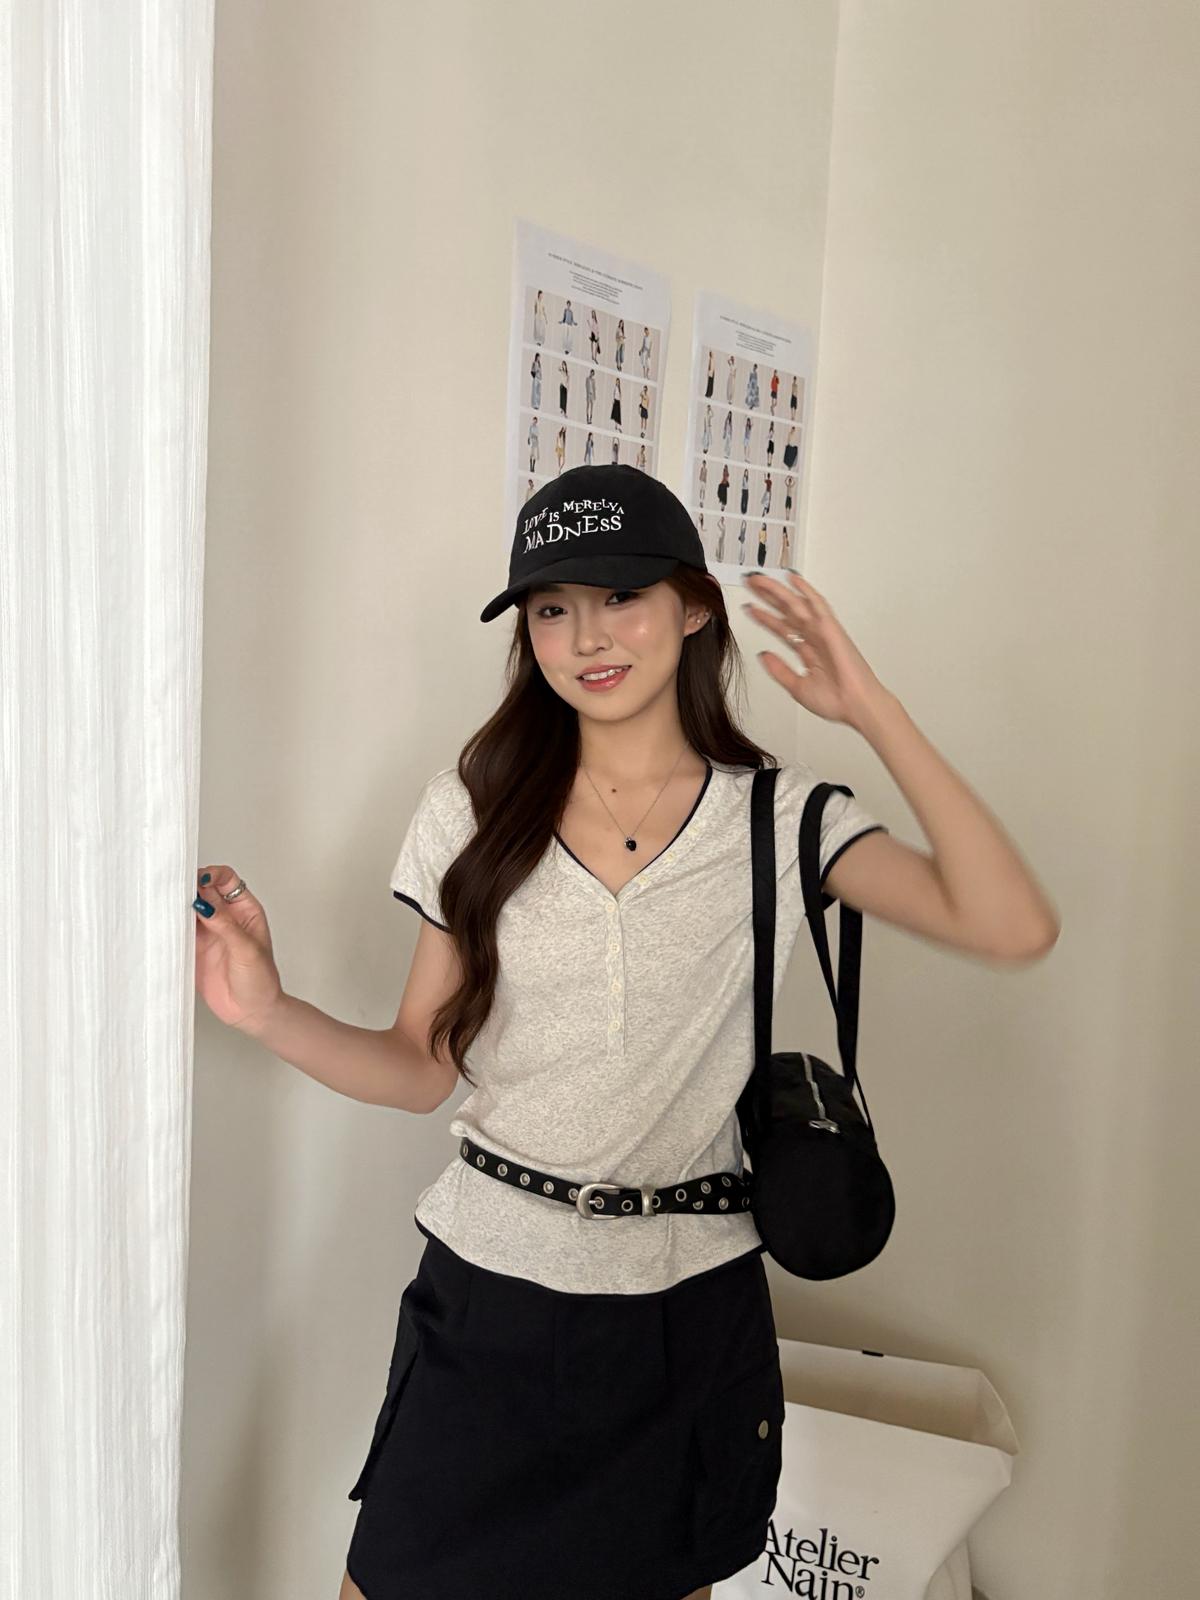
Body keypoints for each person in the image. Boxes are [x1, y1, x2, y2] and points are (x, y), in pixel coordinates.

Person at [192, 463, 1061, 1599]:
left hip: (685, 1314)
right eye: (552, 608)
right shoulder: (473, 805)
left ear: (693, 607)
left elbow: (1009, 923)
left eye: (621, 597)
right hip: (490, 1296)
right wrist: (266, 1010)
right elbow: (418, 1067)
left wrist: (871, 710)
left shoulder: (781, 818)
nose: (587, 637)